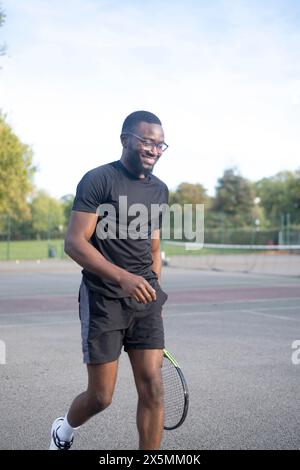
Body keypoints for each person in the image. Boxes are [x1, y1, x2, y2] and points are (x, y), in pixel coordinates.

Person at [49, 110, 169, 450]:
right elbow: (74, 242)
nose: (154, 150)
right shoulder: (99, 180)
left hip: (145, 299)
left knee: (153, 388)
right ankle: (64, 429)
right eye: (147, 141)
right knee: (101, 396)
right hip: (103, 298)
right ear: (125, 139)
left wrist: (154, 291)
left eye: (160, 145)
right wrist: (123, 278)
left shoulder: (160, 190)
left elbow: (154, 245)